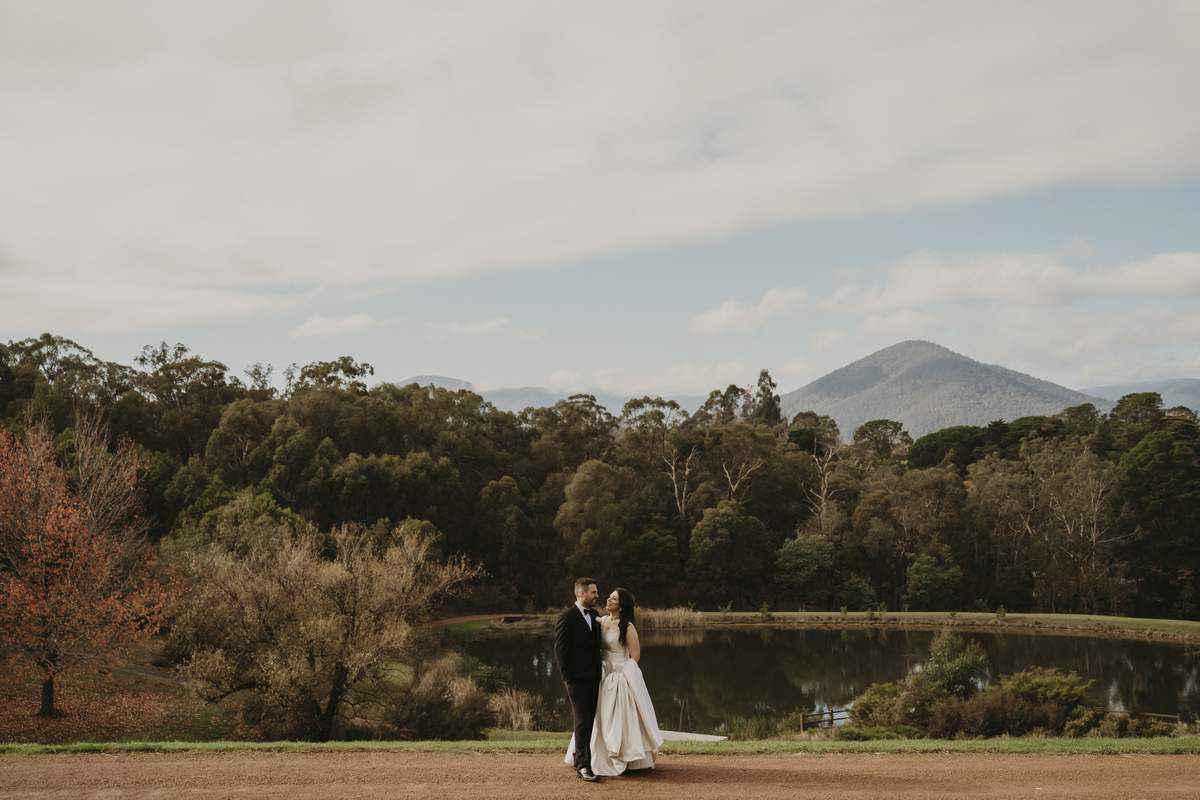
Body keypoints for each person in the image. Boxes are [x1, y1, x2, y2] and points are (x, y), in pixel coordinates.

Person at [563, 587, 725, 777]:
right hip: (602, 673)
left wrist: (623, 675)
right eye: (609, 597)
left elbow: (635, 655)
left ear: (621, 606)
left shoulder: (627, 627)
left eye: (613, 599)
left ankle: (628, 758)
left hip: (620, 674)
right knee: (597, 715)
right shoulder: (601, 621)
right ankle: (591, 756)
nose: (608, 600)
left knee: (621, 716)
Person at [554, 577, 603, 782]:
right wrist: (568, 678)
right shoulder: (567, 617)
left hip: (594, 678)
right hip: (576, 681)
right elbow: (560, 650)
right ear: (581, 593)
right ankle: (583, 766)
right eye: (593, 592)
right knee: (582, 720)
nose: (597, 595)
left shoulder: (595, 615)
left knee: (589, 720)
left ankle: (581, 758)